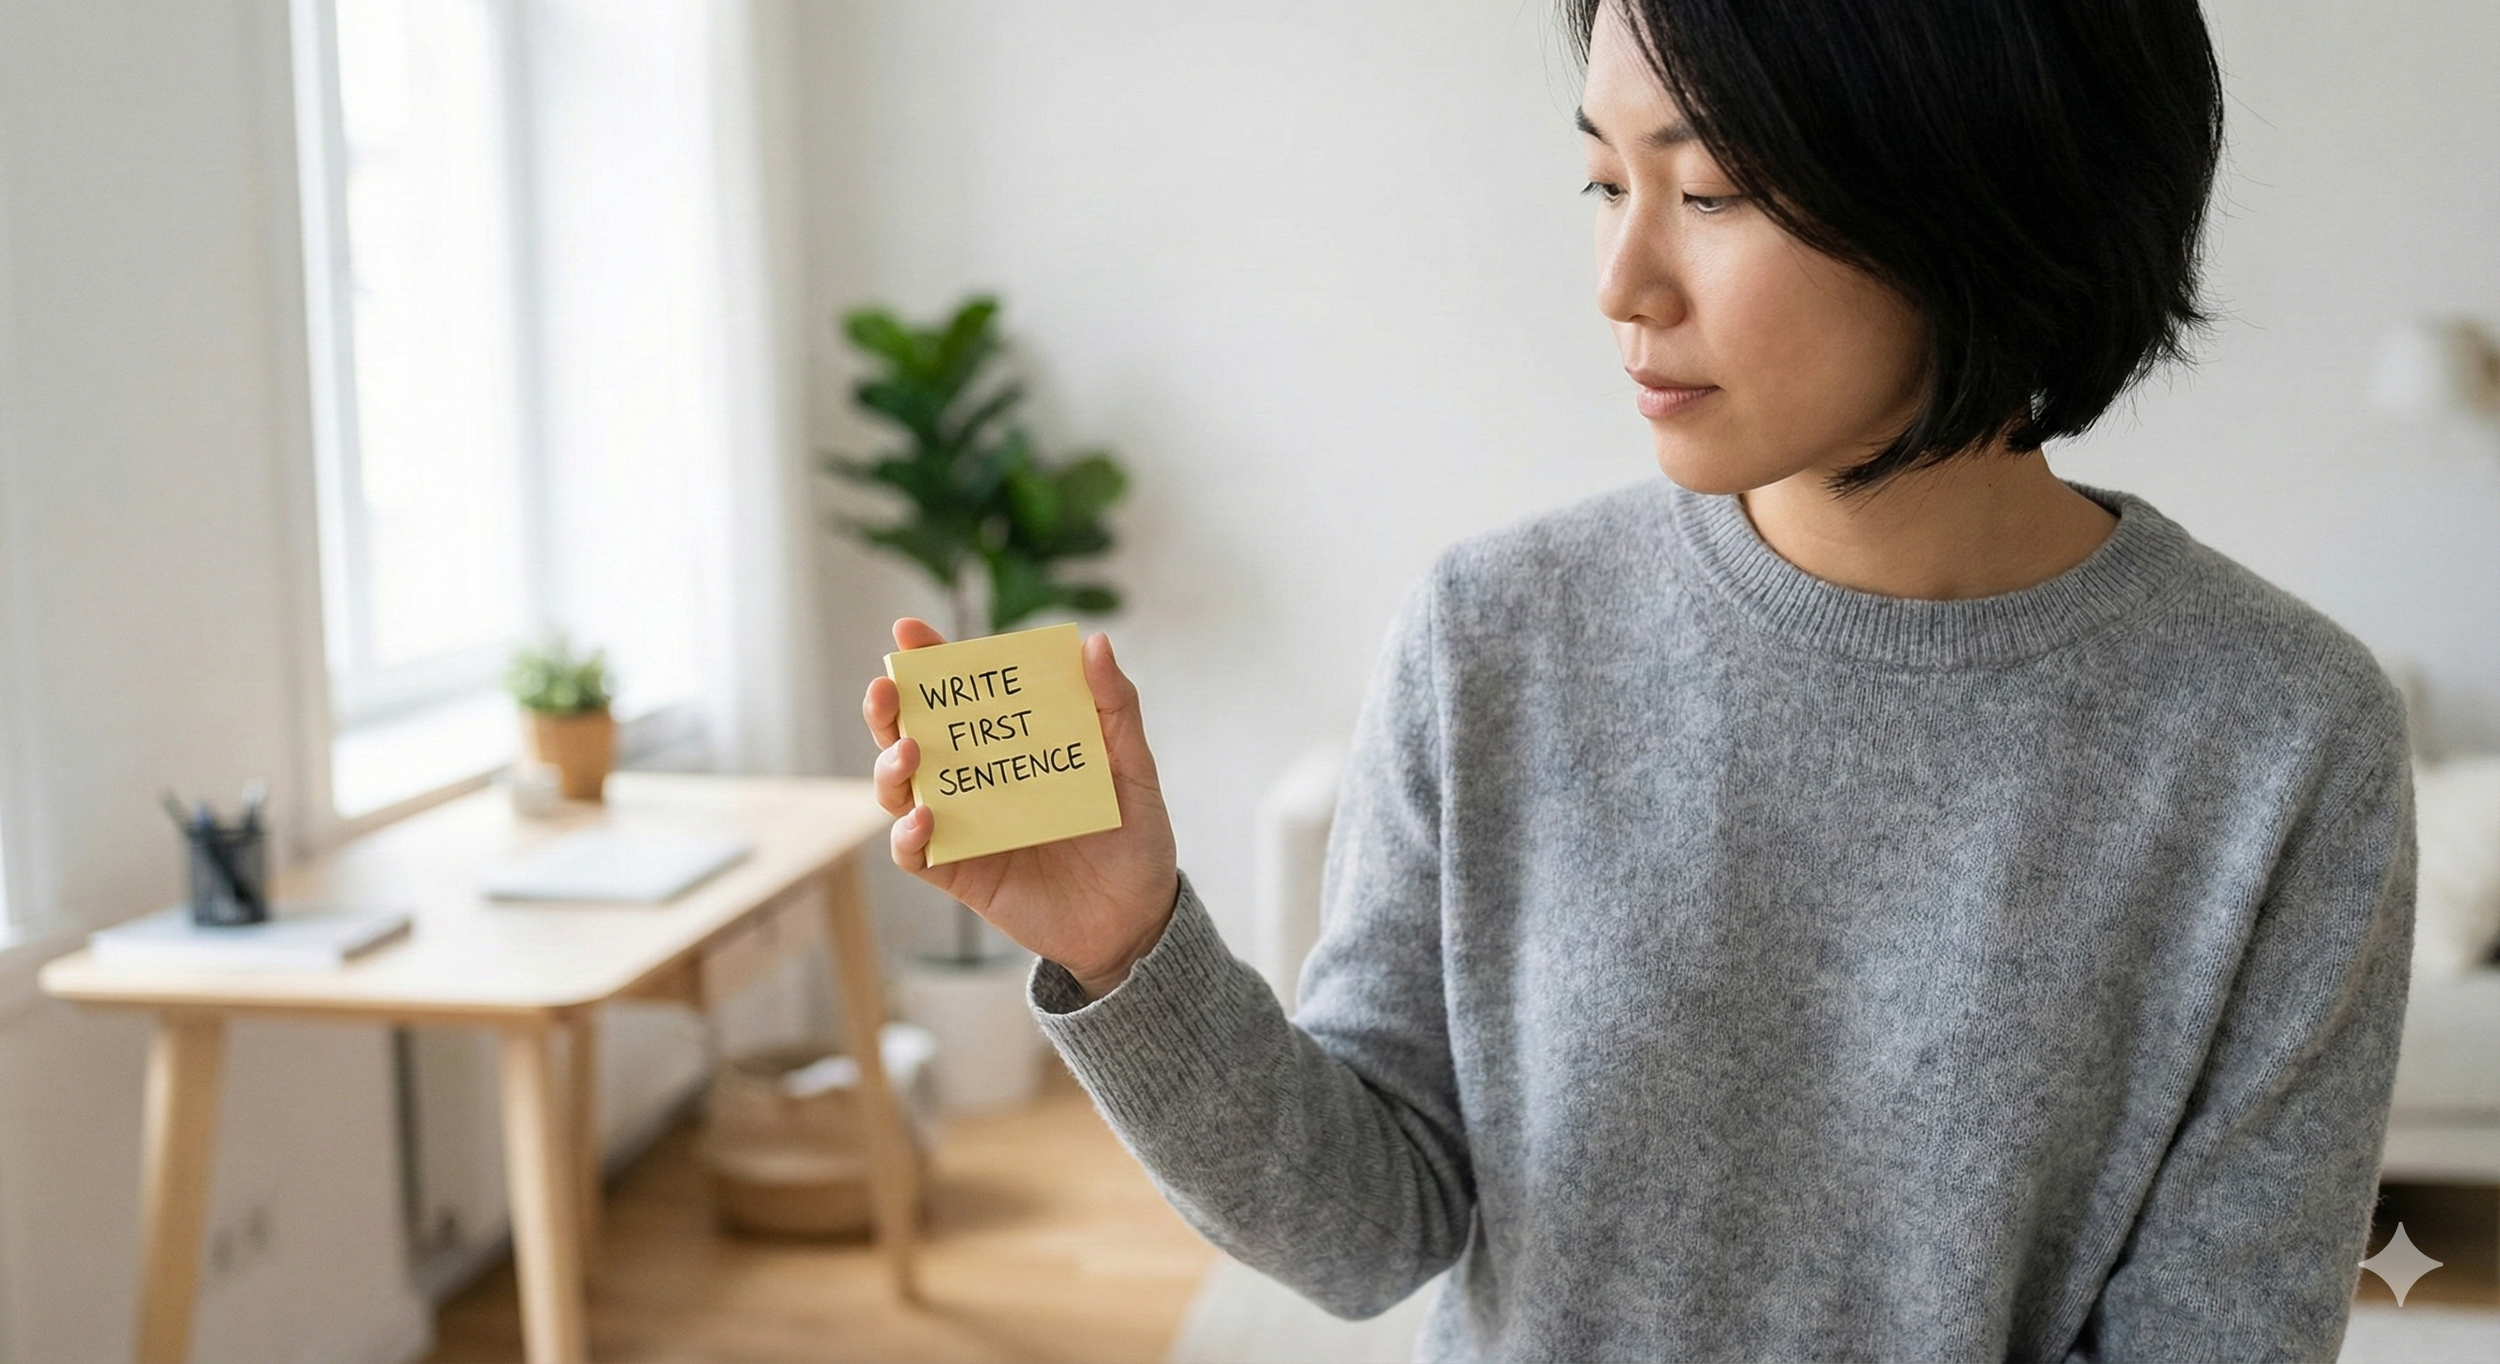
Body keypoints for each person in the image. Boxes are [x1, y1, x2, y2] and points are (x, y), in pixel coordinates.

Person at [860, 0, 2418, 1357]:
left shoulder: (2283, 741)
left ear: (1988, 185)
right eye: (1605, 178)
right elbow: (1369, 1231)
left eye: (1715, 189)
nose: (1622, 279)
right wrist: (1130, 947)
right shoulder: (1494, 633)